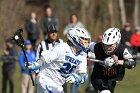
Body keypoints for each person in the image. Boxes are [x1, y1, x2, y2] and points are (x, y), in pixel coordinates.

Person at [26, 28, 91, 93]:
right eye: (83, 39)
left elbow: (84, 76)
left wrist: (77, 78)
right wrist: (36, 64)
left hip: (58, 86)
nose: (85, 43)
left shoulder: (82, 56)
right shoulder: (62, 47)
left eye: (86, 40)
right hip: (46, 79)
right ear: (74, 38)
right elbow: (45, 59)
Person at [89, 28, 136, 93]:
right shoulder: (98, 47)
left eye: (110, 45)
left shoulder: (122, 50)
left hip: (111, 80)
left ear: (117, 42)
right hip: (98, 77)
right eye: (106, 45)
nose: (108, 47)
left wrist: (118, 61)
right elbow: (86, 46)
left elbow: (132, 63)